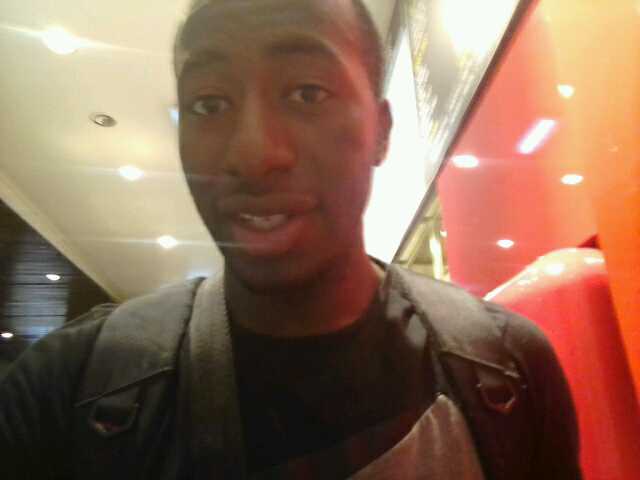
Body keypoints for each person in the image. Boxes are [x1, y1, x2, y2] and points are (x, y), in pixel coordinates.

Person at [0, 0, 581, 478]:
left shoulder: (506, 371)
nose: (253, 154)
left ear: (381, 132)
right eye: (209, 104)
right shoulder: (66, 390)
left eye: (307, 93)